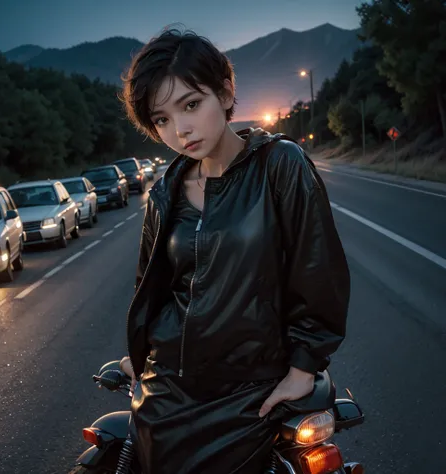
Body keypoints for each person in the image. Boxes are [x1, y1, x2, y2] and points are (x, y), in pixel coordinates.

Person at [119, 27, 350, 474]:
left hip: (251, 390)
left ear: (225, 93)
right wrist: (140, 350)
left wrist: (304, 368)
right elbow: (150, 286)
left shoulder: (280, 164)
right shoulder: (166, 190)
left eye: (190, 104)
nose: (179, 129)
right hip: (168, 387)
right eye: (161, 119)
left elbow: (319, 271)